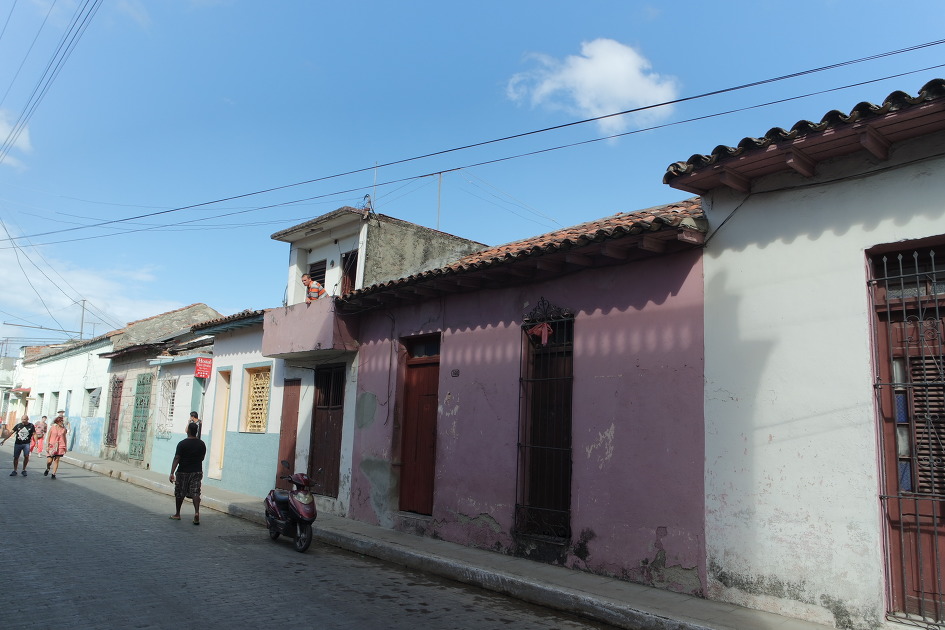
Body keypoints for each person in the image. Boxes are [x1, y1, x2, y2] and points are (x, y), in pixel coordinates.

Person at [169, 421, 207, 525]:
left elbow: (177, 458)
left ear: (188, 431)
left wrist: (172, 472)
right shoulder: (201, 444)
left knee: (180, 492)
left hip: (183, 471)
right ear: (196, 431)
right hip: (197, 471)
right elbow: (202, 457)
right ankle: (196, 512)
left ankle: (177, 514)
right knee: (196, 492)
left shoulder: (182, 444)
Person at [44, 414, 68, 479]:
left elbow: (64, 438)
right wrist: (47, 445)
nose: (62, 422)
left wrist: (65, 447)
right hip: (52, 445)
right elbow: (48, 436)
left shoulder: (64, 429)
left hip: (60, 446)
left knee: (56, 460)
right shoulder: (52, 428)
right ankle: (48, 468)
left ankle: (53, 474)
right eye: (60, 421)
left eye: (62, 421)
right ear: (57, 422)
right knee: (49, 461)